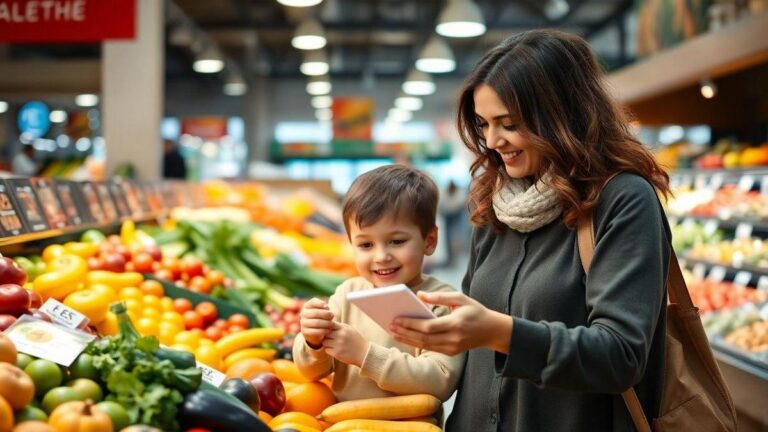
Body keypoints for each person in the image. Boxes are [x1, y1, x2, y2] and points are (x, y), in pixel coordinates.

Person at [389, 29, 671, 431]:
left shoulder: (622, 200)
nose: (492, 140)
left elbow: (620, 355)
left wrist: (502, 333)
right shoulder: (493, 201)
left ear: (560, 115)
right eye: (483, 124)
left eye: (508, 124)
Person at [293, 165, 465, 407]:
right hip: (344, 423)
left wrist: (364, 354)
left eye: (397, 241)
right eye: (366, 245)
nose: (381, 256)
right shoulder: (347, 295)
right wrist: (313, 341)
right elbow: (311, 372)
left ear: (429, 241)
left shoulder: (441, 302)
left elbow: (440, 380)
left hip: (412, 423)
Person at [438, 180, 466, 267]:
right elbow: (442, 206)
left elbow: (460, 204)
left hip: (456, 216)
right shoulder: (445, 193)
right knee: (448, 237)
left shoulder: (459, 193)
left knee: (455, 237)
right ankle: (450, 258)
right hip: (448, 216)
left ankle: (454, 259)